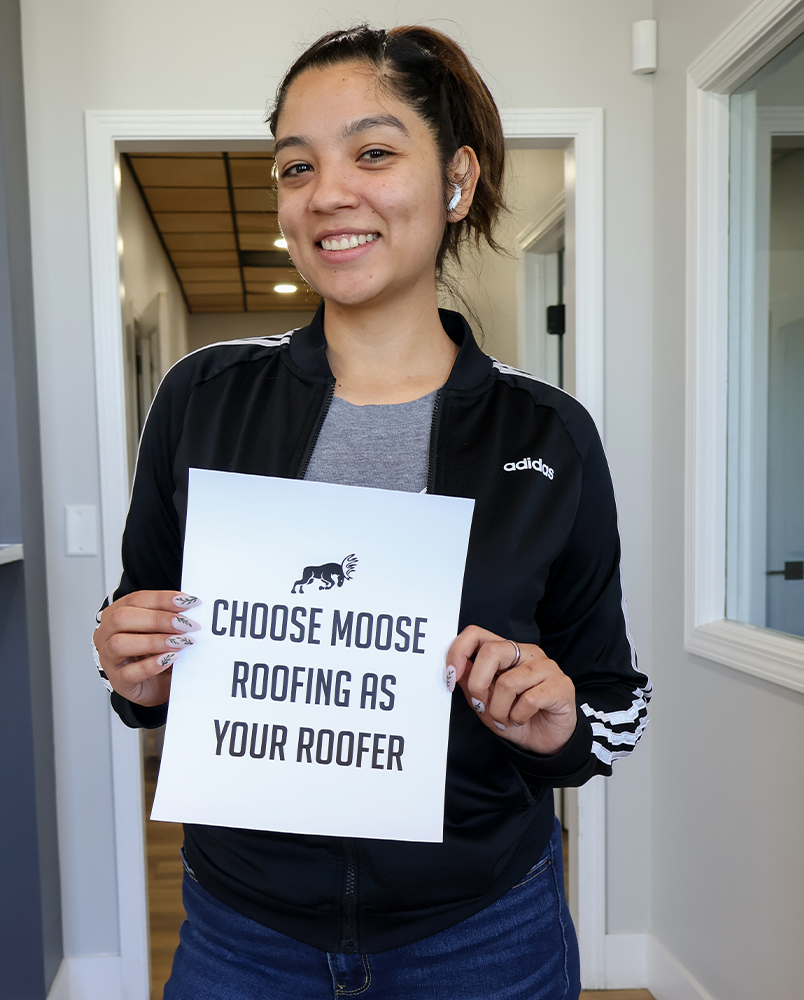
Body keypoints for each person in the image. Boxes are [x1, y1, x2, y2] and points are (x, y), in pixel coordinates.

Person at [92, 24, 651, 1000]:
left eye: (375, 153)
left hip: (481, 932)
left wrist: (563, 723)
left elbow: (613, 701)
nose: (327, 193)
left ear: (457, 180)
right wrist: (128, 658)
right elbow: (149, 644)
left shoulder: (549, 436)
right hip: (244, 934)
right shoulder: (202, 398)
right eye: (297, 166)